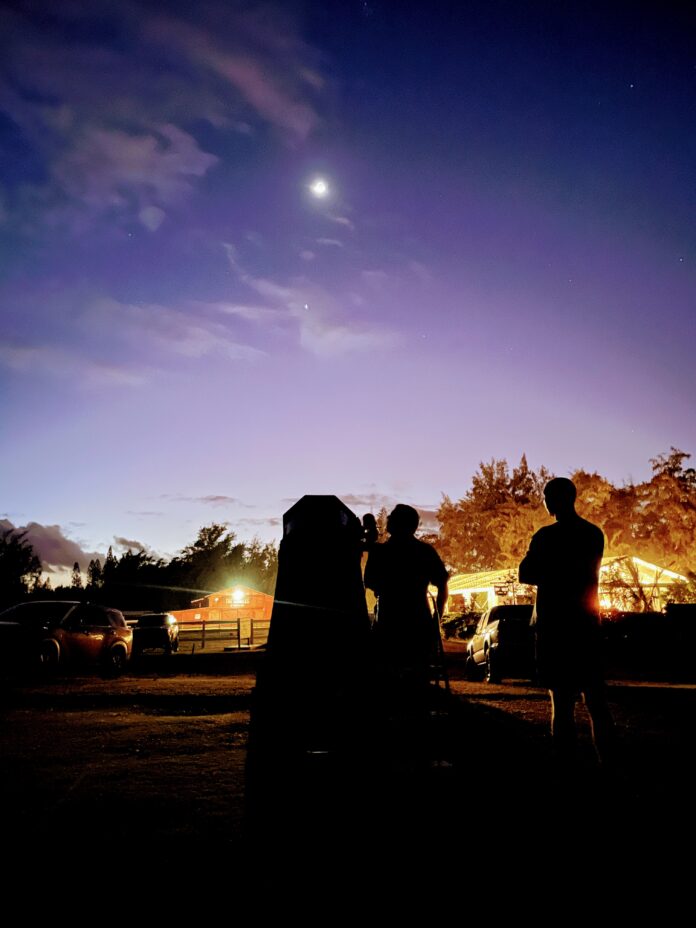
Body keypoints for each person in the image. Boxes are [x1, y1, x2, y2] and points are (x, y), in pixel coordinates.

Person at [519, 477, 615, 764]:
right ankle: (608, 764)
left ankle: (566, 766)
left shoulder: (546, 537)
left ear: (555, 499)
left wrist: (549, 571)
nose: (544, 501)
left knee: (561, 702)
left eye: (546, 496)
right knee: (596, 701)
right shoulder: (593, 534)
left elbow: (526, 573)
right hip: (586, 624)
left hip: (554, 626)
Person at [364, 504, 448, 684]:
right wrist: (436, 617)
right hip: (419, 619)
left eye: (392, 516)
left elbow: (369, 581)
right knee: (418, 676)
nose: (388, 519)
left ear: (398, 523)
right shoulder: (425, 551)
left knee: (387, 676)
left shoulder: (381, 552)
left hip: (389, 619)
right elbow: (442, 584)